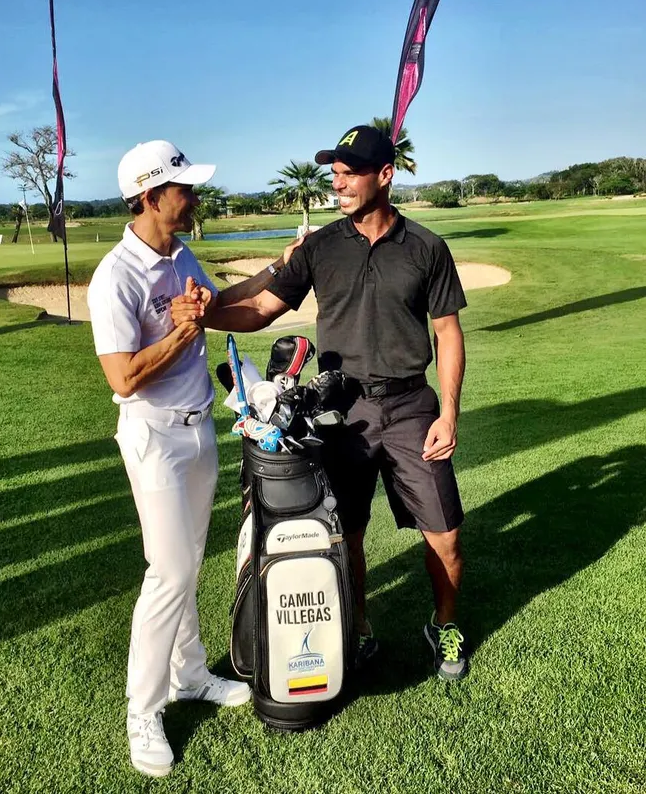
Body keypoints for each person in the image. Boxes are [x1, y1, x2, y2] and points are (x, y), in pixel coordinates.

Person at [170, 125, 469, 681]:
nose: (339, 183)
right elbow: (262, 308)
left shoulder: (427, 247)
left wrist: (448, 412)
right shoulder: (320, 246)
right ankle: (359, 628)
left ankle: (444, 623)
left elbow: (447, 332)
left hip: (411, 406)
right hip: (341, 412)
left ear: (385, 176)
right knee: (346, 534)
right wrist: (205, 315)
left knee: (446, 536)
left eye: (350, 173)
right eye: (335, 174)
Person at [87, 139, 303, 778]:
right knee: (169, 572)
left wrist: (280, 268)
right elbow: (122, 378)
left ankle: (188, 673)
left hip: (199, 428)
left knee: (188, 563)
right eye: (185, 188)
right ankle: (143, 710)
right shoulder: (115, 276)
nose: (195, 196)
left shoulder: (180, 255)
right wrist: (181, 330)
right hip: (153, 436)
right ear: (152, 196)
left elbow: (225, 306)